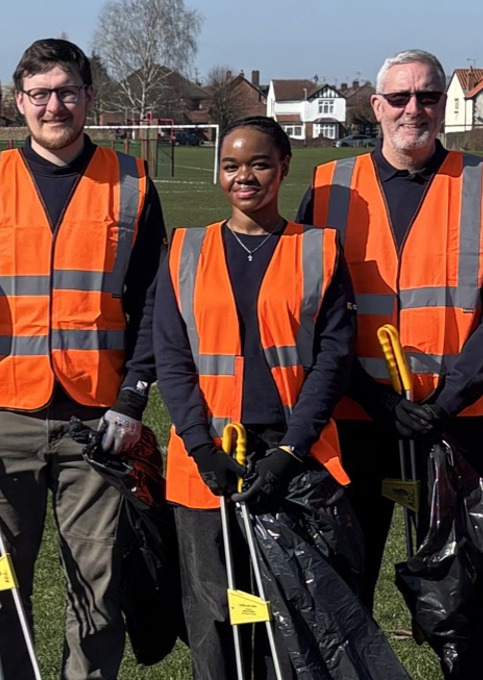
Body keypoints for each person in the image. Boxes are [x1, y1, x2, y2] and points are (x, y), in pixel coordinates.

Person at [292, 48, 483, 679]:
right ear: (376, 107)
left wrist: (446, 400)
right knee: (345, 590)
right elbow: (303, 306)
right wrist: (374, 399)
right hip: (356, 419)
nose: (413, 109)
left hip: (454, 423)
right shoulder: (328, 188)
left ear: (441, 106)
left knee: (468, 592)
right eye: (399, 98)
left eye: (427, 97)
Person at [0, 37, 169, 679]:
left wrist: (133, 397)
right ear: (19, 102)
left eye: (67, 91)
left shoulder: (131, 181)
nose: (54, 105)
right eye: (40, 94)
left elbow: (154, 299)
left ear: (89, 97)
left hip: (97, 421)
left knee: (98, 591)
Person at [154, 116, 355, 679]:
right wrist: (200, 446)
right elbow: (172, 358)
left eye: (259, 163)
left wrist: (290, 451)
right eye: (231, 165)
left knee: (297, 615)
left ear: (283, 167)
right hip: (207, 459)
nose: (245, 176)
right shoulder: (184, 249)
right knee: (216, 615)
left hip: (294, 460)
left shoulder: (318, 250)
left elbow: (332, 361)